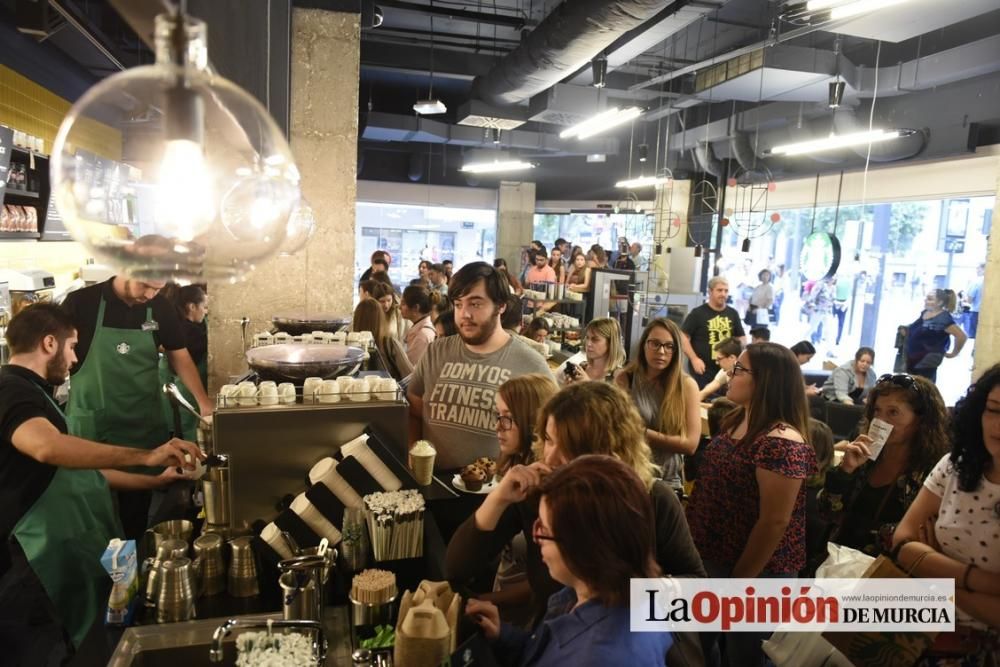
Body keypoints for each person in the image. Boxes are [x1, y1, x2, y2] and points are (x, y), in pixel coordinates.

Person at [0, 304, 201, 659]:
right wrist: (146, 456)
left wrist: (154, 481)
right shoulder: (11, 389)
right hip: (32, 561)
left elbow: (79, 470)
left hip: (63, 549)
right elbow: (47, 448)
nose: (75, 359)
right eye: (73, 346)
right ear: (49, 343)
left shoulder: (36, 392)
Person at [447, 382, 706, 625]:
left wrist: (622, 601)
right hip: (547, 639)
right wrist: (499, 498)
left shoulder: (654, 499)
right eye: (549, 440)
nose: (552, 456)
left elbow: (697, 589)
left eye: (570, 446)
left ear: (608, 449)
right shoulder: (538, 494)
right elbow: (457, 569)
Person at [466, 456, 675, 666]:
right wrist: (503, 635)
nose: (535, 537)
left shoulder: (600, 657)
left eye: (544, 530)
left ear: (585, 550)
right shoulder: (599, 592)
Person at [685, 342, 815, 667]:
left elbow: (774, 522)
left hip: (756, 573)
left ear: (766, 381)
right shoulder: (736, 420)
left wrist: (738, 582)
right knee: (699, 650)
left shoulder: (782, 441)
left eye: (740, 370)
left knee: (746, 658)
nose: (730, 373)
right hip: (714, 558)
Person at [62, 275, 212, 539]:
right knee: (92, 518)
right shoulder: (82, 302)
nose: (150, 295)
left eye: (157, 288)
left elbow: (179, 355)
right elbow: (56, 355)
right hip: (93, 427)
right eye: (146, 285)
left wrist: (204, 404)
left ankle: (131, 576)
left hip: (142, 427)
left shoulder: (160, 307)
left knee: (136, 521)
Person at [892, 364, 1000, 660]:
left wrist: (932, 571)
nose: (998, 426)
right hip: (920, 636)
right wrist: (981, 583)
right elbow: (902, 542)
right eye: (994, 410)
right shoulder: (956, 466)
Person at [408, 262, 551, 471]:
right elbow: (414, 410)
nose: (464, 314)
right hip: (434, 485)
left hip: (496, 492)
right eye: (458, 304)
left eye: (475, 304)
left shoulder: (531, 364)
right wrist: (413, 453)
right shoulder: (435, 352)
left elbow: (549, 436)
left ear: (501, 306)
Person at [817, 373, 949, 558]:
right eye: (877, 411)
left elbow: (920, 538)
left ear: (920, 420)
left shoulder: (931, 472)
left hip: (885, 576)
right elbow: (826, 513)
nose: (881, 420)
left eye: (893, 412)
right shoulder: (865, 457)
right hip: (836, 565)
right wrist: (844, 472)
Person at [484, 374, 559, 625]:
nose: (498, 426)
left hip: (533, 616)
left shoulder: (544, 488)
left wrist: (491, 599)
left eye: (507, 418)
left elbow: (548, 579)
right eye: (498, 416)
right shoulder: (515, 472)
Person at [615, 318, 700, 494]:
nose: (661, 351)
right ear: (644, 345)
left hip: (667, 482)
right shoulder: (626, 379)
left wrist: (642, 432)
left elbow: (691, 444)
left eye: (669, 346)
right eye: (655, 344)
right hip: (629, 475)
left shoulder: (687, 386)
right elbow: (616, 429)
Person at [159, 284, 209, 441]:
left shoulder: (177, 327)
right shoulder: (193, 333)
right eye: (205, 307)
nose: (206, 312)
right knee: (189, 435)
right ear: (192, 307)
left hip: (176, 399)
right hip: (188, 396)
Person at [681, 276, 747, 389]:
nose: (723, 294)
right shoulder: (698, 313)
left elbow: (741, 337)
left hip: (726, 369)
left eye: (726, 291)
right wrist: (694, 359)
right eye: (719, 290)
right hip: (703, 369)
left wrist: (737, 358)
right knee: (703, 397)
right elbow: (683, 337)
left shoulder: (733, 313)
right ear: (710, 292)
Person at [905, 289, 968, 382]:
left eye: (930, 299)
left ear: (940, 302)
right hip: (914, 356)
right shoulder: (925, 313)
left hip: (927, 359)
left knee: (923, 386)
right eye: (926, 298)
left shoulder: (943, 319)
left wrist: (954, 353)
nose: (926, 301)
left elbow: (961, 336)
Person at [352, 298, 412, 381]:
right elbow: (410, 376)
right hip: (388, 391)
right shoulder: (390, 344)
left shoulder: (349, 346)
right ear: (381, 319)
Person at [561, 318, 626, 385]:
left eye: (595, 339)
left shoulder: (619, 376)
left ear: (611, 343)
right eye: (587, 338)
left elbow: (614, 396)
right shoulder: (582, 367)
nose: (588, 344)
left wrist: (588, 384)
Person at [400, 285, 440, 367]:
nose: (399, 307)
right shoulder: (419, 327)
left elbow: (409, 368)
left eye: (403, 303)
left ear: (415, 308)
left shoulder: (423, 335)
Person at [698, 337, 742, 401]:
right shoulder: (725, 371)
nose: (716, 363)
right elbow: (704, 392)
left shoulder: (742, 377)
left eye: (719, 359)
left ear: (732, 357)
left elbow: (734, 406)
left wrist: (700, 405)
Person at [965, 263, 984, 340]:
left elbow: (970, 300)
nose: (976, 270)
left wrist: (964, 299)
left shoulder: (976, 282)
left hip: (976, 312)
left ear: (983, 269)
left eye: (978, 268)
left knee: (973, 337)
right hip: (990, 314)